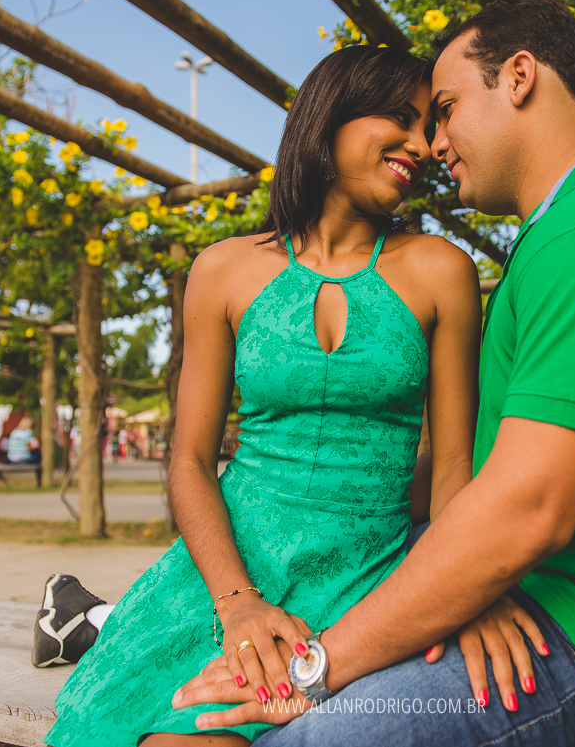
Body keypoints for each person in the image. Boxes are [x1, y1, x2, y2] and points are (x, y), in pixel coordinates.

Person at [173, 0, 575, 747]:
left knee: (304, 737)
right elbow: (491, 479)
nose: (433, 144)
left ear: (519, 76)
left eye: (448, 107)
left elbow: (525, 511)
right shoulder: (569, 229)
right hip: (567, 607)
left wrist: (315, 667)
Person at [39, 45, 482, 747]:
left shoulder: (441, 272)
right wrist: (239, 602)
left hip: (364, 576)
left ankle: (81, 618)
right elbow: (187, 459)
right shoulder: (222, 269)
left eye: (429, 126)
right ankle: (93, 620)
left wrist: (468, 595)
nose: (424, 145)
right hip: (226, 574)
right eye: (401, 118)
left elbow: (456, 466)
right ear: (329, 119)